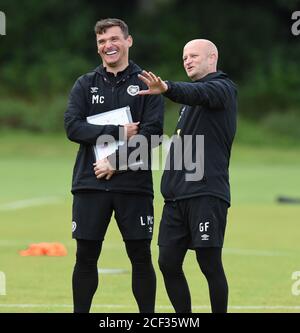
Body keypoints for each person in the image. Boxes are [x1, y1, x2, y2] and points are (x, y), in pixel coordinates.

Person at [64, 18, 164, 313]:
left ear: (128, 41)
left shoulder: (146, 83)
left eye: (114, 39)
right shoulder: (85, 83)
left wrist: (116, 163)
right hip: (89, 183)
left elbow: (153, 135)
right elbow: (72, 127)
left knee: (140, 256)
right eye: (102, 41)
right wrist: (118, 132)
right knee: (85, 256)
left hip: (133, 186)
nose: (108, 45)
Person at [138, 39, 237, 313]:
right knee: (168, 262)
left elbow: (199, 94)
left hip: (206, 192)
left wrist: (167, 87)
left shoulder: (223, 89)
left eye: (194, 56)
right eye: (184, 57)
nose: (188, 61)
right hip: (176, 197)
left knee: (209, 262)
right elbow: (192, 96)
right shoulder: (189, 100)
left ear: (212, 58)